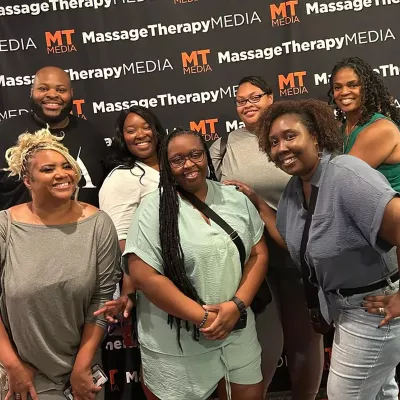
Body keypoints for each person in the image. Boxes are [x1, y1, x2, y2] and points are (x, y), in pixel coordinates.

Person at [255, 98, 400, 399]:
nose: (281, 147)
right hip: (344, 312)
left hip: (374, 311)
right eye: (273, 142)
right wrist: (260, 207)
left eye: (290, 136)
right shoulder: (296, 191)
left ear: (316, 136)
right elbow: (300, 245)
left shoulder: (345, 174)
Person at [122, 129, 268, 400]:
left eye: (195, 155)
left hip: (236, 331)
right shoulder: (153, 209)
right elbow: (144, 276)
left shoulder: (234, 199)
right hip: (177, 344)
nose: (188, 164)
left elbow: (258, 254)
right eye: (177, 160)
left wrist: (236, 306)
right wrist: (203, 318)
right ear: (167, 166)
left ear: (206, 157)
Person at [210, 76, 323, 399]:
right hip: (250, 256)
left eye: (254, 97)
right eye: (241, 100)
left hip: (295, 250)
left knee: (304, 337)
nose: (247, 104)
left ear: (271, 98)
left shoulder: (289, 135)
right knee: (263, 339)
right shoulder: (224, 145)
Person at [0, 129, 120, 400]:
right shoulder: (5, 226)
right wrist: (11, 365)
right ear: (28, 180)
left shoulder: (99, 224)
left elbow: (101, 300)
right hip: (22, 374)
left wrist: (81, 366)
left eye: (67, 165)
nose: (62, 173)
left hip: (81, 372)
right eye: (48, 169)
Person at [97, 106, 166, 400]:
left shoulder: (174, 164)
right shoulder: (122, 177)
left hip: (187, 276)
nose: (140, 134)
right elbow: (120, 237)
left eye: (146, 126)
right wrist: (133, 284)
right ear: (122, 138)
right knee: (160, 363)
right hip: (149, 282)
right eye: (131, 130)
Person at [0, 66, 108, 209]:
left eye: (61, 90)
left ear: (71, 94)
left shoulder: (92, 135)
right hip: (18, 229)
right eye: (43, 89)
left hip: (81, 227)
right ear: (32, 91)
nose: (52, 94)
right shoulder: (4, 131)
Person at [328, 56, 400, 190]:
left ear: (366, 88)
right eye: (337, 87)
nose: (344, 92)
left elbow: (342, 180)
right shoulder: (342, 129)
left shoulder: (381, 129)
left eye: (353, 85)